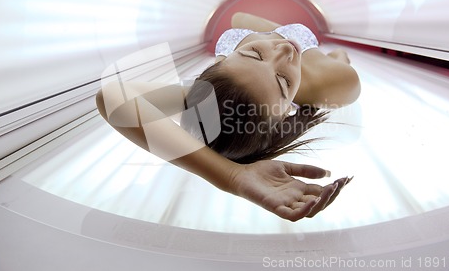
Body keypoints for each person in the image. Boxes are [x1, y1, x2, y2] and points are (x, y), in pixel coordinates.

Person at [95, 12, 360, 222]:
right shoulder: (335, 84)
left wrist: (229, 176)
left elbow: (111, 97)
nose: (284, 50)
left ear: (217, 65)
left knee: (238, 18)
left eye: (254, 54)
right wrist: (231, 177)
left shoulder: (208, 95)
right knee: (316, 53)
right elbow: (335, 58)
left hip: (235, 36)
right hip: (308, 47)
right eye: (284, 82)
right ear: (287, 113)